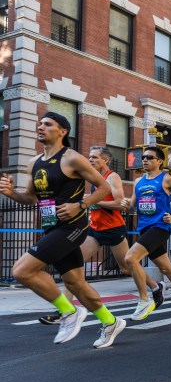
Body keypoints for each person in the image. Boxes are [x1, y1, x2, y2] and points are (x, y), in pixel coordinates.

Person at [0, 112, 126, 348]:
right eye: (39, 123)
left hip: (72, 226)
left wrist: (81, 204)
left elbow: (103, 186)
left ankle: (69, 312)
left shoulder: (72, 158)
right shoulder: (34, 162)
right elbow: (30, 198)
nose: (40, 127)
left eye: (48, 124)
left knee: (22, 270)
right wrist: (11, 194)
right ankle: (111, 322)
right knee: (75, 282)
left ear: (62, 131)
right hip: (51, 226)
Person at [38, 145, 164, 325]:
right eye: (89, 157)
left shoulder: (112, 177)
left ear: (105, 160)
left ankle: (154, 286)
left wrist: (93, 201)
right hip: (94, 229)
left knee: (126, 267)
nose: (90, 160)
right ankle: (63, 311)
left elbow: (120, 204)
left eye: (94, 158)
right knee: (73, 268)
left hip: (113, 229)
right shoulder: (93, 178)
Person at [121, 146, 171, 320]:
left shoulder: (167, 179)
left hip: (160, 227)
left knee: (130, 258)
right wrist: (127, 204)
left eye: (149, 157)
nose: (145, 160)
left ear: (159, 161)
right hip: (145, 228)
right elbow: (133, 207)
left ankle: (144, 299)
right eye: (143, 158)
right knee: (166, 267)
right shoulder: (138, 181)